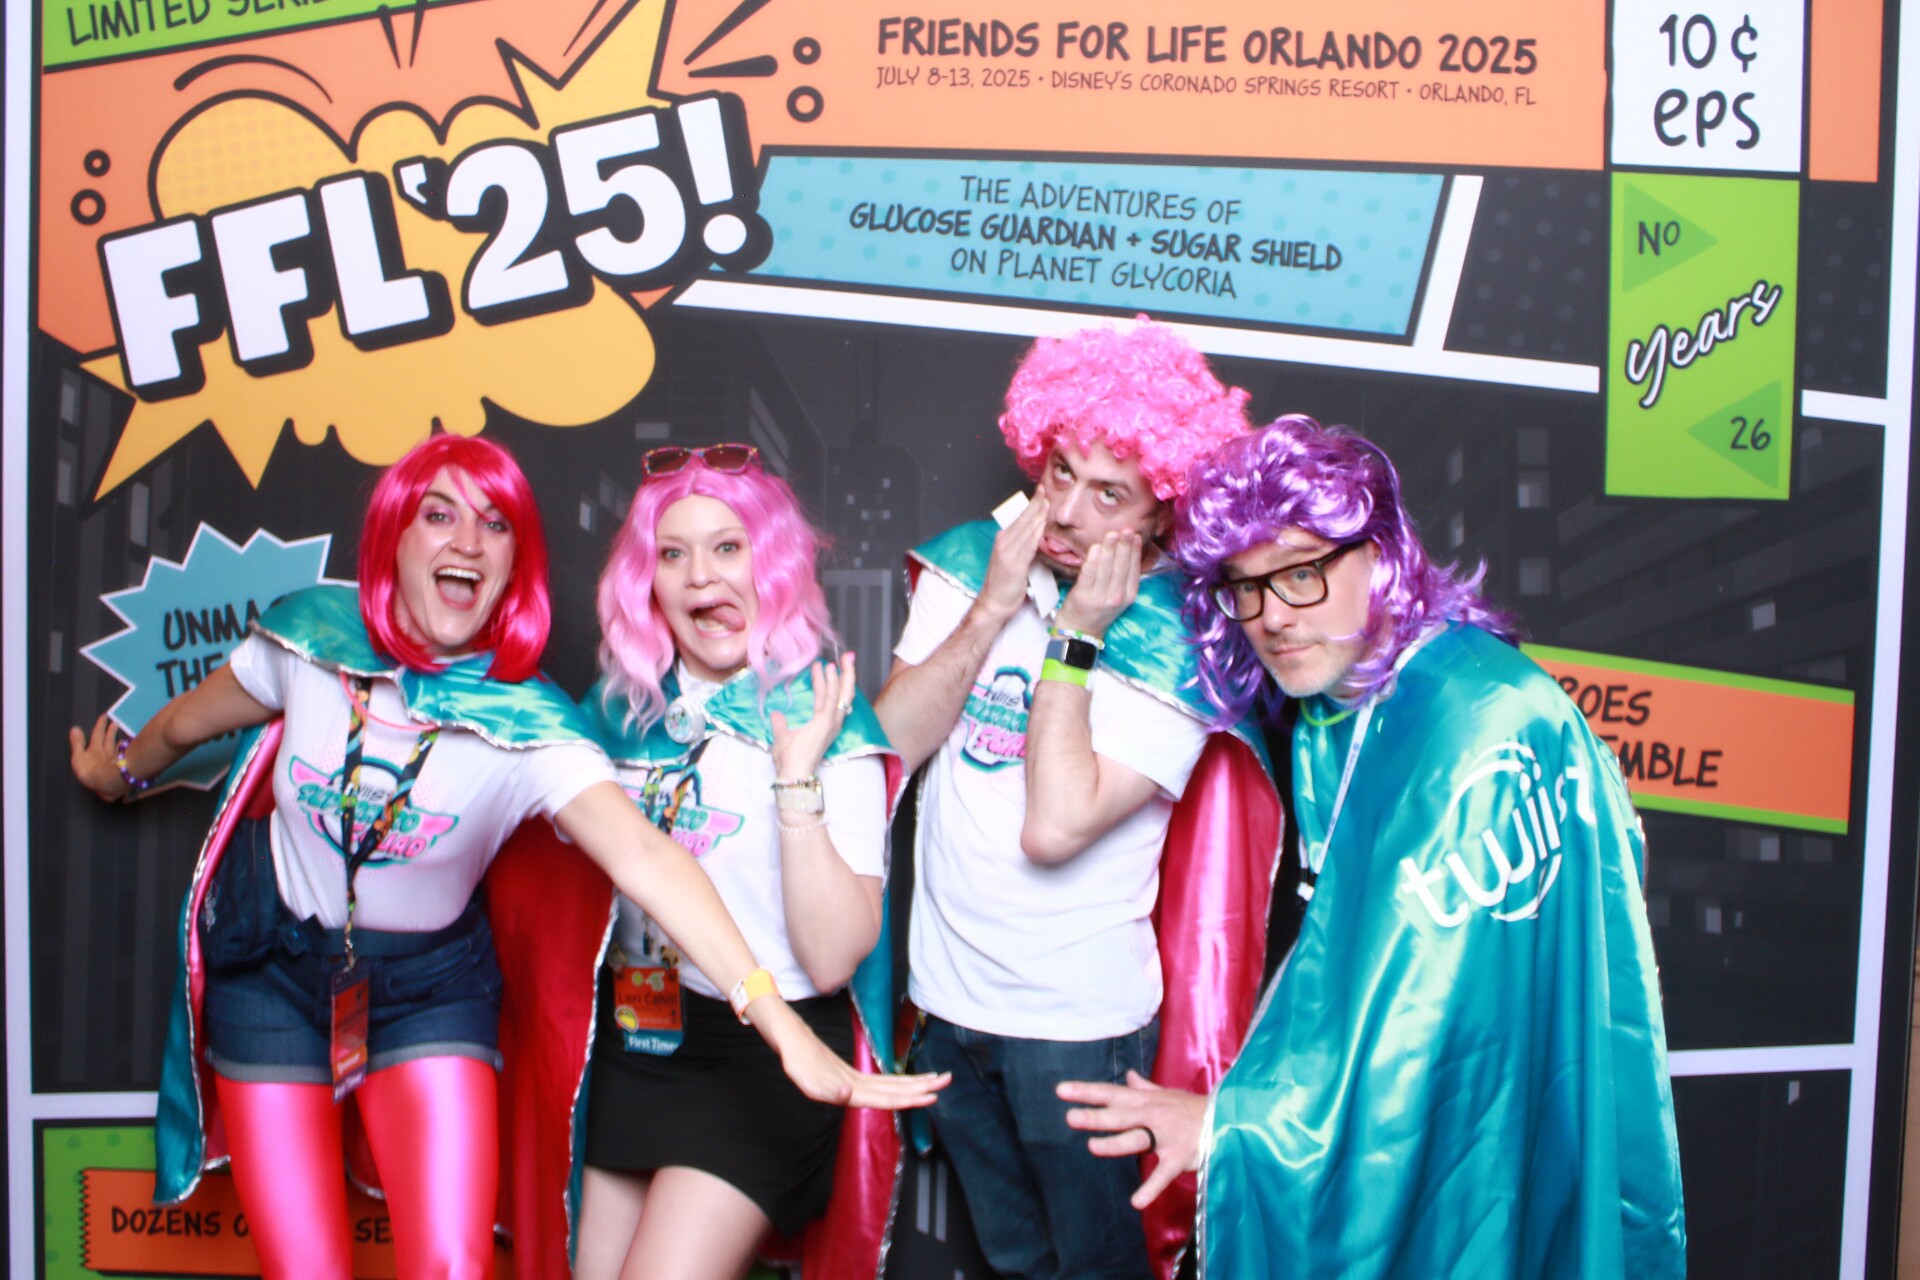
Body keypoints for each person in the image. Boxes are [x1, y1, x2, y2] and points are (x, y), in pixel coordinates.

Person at [69, 434, 940, 1280]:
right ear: (393, 534)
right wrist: (121, 773)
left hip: (468, 999)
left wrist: (781, 1020)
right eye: (438, 515)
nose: (466, 542)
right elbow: (188, 723)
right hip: (307, 972)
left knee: (457, 1263)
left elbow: (648, 859)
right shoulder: (323, 645)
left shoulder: (540, 726)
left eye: (493, 525)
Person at [1058, 416, 1687, 1278]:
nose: (1272, 617)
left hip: (1479, 1153)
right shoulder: (1338, 700)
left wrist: (1232, 1130)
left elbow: (1426, 1020)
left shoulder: (1481, 723)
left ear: (1381, 554)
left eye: (1302, 573)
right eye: (1245, 587)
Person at [875, 319, 1282, 1280]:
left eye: (1109, 493)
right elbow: (889, 748)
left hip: (1075, 1030)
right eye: (1060, 471)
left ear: (1162, 513)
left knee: (1099, 1268)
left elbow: (1054, 826)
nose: (1063, 512)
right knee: (1014, 1260)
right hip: (945, 1007)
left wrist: (1077, 632)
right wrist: (992, 606)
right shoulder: (974, 568)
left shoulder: (1179, 641)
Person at [569, 443, 910, 1280]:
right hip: (639, 1037)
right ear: (647, 582)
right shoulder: (616, 712)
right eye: (672, 554)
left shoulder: (825, 715)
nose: (700, 577)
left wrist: (796, 781)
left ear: (774, 565)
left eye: (727, 547)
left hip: (768, 1054)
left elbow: (832, 960)